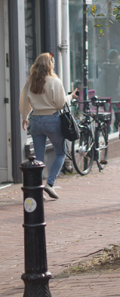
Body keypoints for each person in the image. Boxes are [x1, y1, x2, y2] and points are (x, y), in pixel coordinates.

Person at [20, 53, 78, 199]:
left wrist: (24, 117)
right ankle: (49, 184)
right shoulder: (54, 81)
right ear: (50, 65)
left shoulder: (30, 82)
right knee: (60, 153)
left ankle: (38, 190)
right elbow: (60, 104)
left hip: (36, 120)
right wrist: (70, 97)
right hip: (52, 119)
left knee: (38, 159)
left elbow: (24, 101)